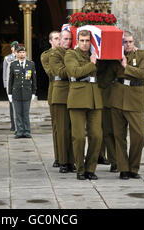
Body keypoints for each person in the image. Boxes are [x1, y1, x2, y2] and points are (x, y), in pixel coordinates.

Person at [110, 31, 144, 180]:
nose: (127, 44)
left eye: (130, 42)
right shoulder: (115, 57)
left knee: (139, 136)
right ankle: (123, 168)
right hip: (117, 98)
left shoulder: (142, 55)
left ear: (134, 42)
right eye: (125, 42)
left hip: (135, 100)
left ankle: (134, 167)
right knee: (119, 136)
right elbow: (110, 74)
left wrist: (126, 67)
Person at [64, 30, 103, 180]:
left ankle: (90, 169)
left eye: (87, 41)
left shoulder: (97, 54)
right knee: (79, 137)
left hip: (94, 99)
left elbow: (106, 74)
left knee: (96, 136)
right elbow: (74, 72)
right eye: (82, 40)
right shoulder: (71, 55)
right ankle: (80, 169)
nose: (85, 44)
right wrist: (92, 64)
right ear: (77, 41)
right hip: (78, 98)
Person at [49, 30, 75, 173]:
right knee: (62, 129)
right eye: (65, 39)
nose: (67, 41)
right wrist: (75, 69)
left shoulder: (72, 53)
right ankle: (63, 161)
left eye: (70, 39)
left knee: (72, 130)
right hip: (60, 95)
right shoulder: (55, 54)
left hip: (73, 94)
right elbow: (61, 72)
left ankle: (72, 161)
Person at [40, 31, 61, 168]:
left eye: (60, 38)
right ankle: (58, 156)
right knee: (57, 127)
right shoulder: (46, 55)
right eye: (56, 38)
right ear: (50, 41)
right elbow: (51, 72)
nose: (59, 41)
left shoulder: (69, 53)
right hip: (55, 91)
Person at [8, 45, 37, 139]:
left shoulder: (31, 64)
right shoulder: (13, 64)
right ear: (17, 54)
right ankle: (19, 131)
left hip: (27, 92)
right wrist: (9, 93)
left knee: (25, 113)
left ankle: (27, 131)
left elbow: (34, 79)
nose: (22, 54)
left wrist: (33, 92)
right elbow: (10, 80)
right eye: (20, 52)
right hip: (16, 92)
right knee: (18, 113)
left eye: (23, 52)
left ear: (26, 53)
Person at [97, 60, 118, 172]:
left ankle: (115, 160)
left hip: (117, 98)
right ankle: (114, 160)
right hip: (104, 98)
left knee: (114, 132)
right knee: (107, 131)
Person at [3, 41, 18, 131]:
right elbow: (5, 73)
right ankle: (13, 124)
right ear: (11, 48)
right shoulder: (7, 58)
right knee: (12, 105)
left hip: (20, 84)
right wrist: (5, 84)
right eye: (14, 47)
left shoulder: (22, 57)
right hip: (10, 85)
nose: (15, 49)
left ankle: (19, 124)